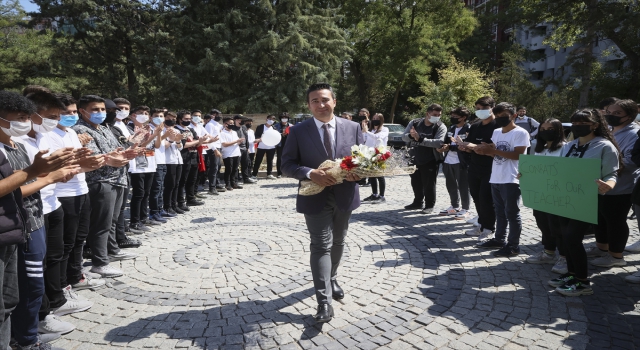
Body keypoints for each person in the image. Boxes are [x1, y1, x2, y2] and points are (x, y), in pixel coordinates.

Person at [281, 83, 363, 323]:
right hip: (314, 196)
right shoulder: (298, 131)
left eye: (325, 99)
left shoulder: (353, 127)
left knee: (338, 241)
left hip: (345, 195)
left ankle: (332, 277)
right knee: (320, 245)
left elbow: (364, 160)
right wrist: (309, 173)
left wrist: (361, 173)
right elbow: (286, 165)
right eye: (314, 101)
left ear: (334, 101)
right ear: (308, 105)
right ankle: (324, 302)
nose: (320, 104)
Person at [0, 90, 71, 350]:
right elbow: (13, 188)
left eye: (27, 117)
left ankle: (24, 338)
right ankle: (26, 339)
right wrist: (45, 176)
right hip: (18, 226)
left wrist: (58, 172)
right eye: (19, 117)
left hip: (31, 220)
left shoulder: (15, 144)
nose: (26, 122)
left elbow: (29, 180)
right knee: (27, 286)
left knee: (18, 292)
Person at [548, 109, 620, 296]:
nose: (578, 127)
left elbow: (612, 173)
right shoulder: (569, 146)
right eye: (575, 123)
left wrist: (609, 185)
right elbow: (559, 170)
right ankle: (572, 274)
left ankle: (582, 282)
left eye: (583, 123)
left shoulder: (605, 146)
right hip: (566, 198)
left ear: (595, 125)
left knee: (573, 237)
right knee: (565, 236)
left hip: (587, 199)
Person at [73, 95, 138, 278]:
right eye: (96, 109)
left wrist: (126, 153)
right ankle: (99, 262)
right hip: (100, 181)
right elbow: (92, 157)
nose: (101, 113)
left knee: (111, 221)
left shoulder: (104, 128)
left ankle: (109, 251)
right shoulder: (80, 130)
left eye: (104, 110)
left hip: (117, 179)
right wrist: (112, 158)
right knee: (100, 224)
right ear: (82, 111)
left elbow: (113, 150)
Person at [51, 94, 109, 288]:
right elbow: (54, 167)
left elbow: (79, 163)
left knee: (79, 238)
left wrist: (94, 162)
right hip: (63, 193)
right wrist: (84, 163)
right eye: (66, 113)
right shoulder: (50, 134)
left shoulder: (70, 133)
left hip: (80, 189)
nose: (72, 116)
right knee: (66, 243)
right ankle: (63, 284)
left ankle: (76, 275)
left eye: (74, 112)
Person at [472, 102, 530, 256]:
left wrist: (493, 150)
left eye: (504, 116)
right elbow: (495, 153)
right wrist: (483, 150)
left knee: (512, 213)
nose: (500, 119)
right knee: (499, 212)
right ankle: (499, 239)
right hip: (496, 176)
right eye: (497, 116)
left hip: (511, 178)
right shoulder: (497, 132)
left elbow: (518, 155)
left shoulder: (521, 133)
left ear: (514, 115)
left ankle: (513, 245)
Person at [587, 99, 639, 268]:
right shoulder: (608, 130)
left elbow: (632, 162)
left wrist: (606, 164)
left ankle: (616, 256)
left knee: (615, 221)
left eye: (617, 113)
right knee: (600, 219)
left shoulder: (634, 134)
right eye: (609, 112)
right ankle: (602, 248)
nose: (611, 116)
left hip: (620, 187)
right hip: (599, 185)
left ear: (629, 116)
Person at [524, 118, 568, 274]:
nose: (545, 131)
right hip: (540, 194)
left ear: (558, 130)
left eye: (550, 128)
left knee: (558, 226)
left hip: (557, 195)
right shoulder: (538, 148)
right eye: (542, 129)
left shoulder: (565, 148)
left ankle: (564, 256)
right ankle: (548, 252)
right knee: (543, 223)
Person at [460, 96, 500, 241]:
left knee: (486, 198)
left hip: (491, 168)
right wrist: (465, 147)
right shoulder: (475, 126)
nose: (480, 111)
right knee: (476, 197)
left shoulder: (497, 126)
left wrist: (482, 148)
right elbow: (471, 145)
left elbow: (496, 148)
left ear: (492, 108)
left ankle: (489, 228)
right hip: (474, 166)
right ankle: (482, 224)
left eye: (483, 108)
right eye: (477, 109)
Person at [402, 104, 446, 213]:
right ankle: (417, 202)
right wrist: (412, 136)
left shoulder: (440, 126)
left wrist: (420, 139)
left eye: (439, 115)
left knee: (429, 183)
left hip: (430, 159)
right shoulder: (415, 123)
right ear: (427, 114)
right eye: (435, 114)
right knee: (415, 182)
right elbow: (404, 136)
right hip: (413, 158)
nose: (437, 117)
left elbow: (439, 142)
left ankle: (429, 205)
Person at [437, 107, 471, 219]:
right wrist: (444, 147)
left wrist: (451, 147)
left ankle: (465, 209)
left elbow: (468, 145)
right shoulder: (451, 127)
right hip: (448, 161)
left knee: (463, 186)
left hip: (461, 162)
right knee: (450, 185)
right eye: (452, 116)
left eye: (455, 116)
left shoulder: (469, 128)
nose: (453, 118)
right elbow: (447, 142)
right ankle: (455, 206)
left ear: (463, 118)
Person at [175, 111, 208, 210]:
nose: (188, 121)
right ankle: (180, 201)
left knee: (192, 179)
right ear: (180, 119)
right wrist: (197, 141)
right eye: (186, 119)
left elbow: (197, 144)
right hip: (184, 157)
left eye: (189, 119)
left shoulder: (191, 129)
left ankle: (190, 198)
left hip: (194, 156)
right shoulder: (177, 130)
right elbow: (184, 145)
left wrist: (200, 141)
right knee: (182, 180)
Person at [148, 108, 174, 221]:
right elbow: (151, 144)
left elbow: (164, 145)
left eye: (161, 116)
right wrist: (162, 135)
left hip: (162, 160)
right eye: (156, 115)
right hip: (154, 161)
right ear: (151, 117)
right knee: (156, 188)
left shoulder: (163, 129)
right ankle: (154, 212)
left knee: (161, 187)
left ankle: (160, 208)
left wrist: (172, 139)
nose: (159, 118)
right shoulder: (149, 128)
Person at [361, 113, 389, 204]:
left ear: (381, 120)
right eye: (374, 118)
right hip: (369, 154)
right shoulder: (370, 130)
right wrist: (363, 130)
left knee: (380, 176)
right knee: (372, 175)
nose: (375, 120)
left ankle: (382, 196)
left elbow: (378, 137)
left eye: (377, 118)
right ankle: (374, 194)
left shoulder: (385, 129)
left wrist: (367, 132)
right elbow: (364, 140)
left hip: (380, 154)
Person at [162, 112, 186, 214]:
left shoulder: (176, 130)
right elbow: (163, 147)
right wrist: (171, 140)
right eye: (169, 118)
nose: (171, 120)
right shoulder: (161, 131)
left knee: (176, 184)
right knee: (170, 184)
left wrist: (178, 141)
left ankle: (174, 204)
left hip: (178, 160)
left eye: (173, 118)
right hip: (168, 160)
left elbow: (180, 148)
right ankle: (167, 206)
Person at [219, 117, 243, 190]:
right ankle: (227, 184)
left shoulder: (234, 132)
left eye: (233, 123)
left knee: (235, 169)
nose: (232, 124)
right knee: (229, 169)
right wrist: (236, 141)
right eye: (230, 123)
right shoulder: (222, 133)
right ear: (225, 124)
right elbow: (224, 144)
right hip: (228, 154)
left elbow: (236, 142)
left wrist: (239, 142)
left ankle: (234, 183)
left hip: (236, 153)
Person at [252, 114, 278, 179]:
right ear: (266, 119)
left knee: (270, 161)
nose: (271, 121)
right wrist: (259, 139)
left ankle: (269, 173)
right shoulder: (260, 127)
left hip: (271, 147)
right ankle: (254, 174)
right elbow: (256, 135)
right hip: (261, 146)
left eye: (273, 120)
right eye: (270, 119)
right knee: (258, 160)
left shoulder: (274, 128)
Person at [232, 115, 255, 185]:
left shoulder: (244, 127)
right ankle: (235, 180)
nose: (242, 121)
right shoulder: (233, 128)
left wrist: (247, 148)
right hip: (236, 148)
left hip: (244, 148)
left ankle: (246, 178)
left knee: (245, 164)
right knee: (236, 165)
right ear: (236, 120)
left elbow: (246, 137)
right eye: (240, 120)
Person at [204, 111, 223, 195]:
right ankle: (212, 188)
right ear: (212, 116)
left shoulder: (218, 125)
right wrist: (215, 149)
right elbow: (209, 139)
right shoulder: (209, 125)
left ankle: (216, 184)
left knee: (218, 166)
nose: (219, 116)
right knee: (214, 167)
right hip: (212, 147)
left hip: (218, 146)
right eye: (217, 115)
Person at [274, 112, 291, 178]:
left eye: (285, 118)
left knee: (289, 159)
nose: (284, 119)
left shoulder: (291, 126)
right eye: (283, 118)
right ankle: (279, 173)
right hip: (280, 144)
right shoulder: (276, 126)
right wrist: (282, 134)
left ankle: (289, 173)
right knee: (279, 158)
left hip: (289, 145)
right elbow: (275, 135)